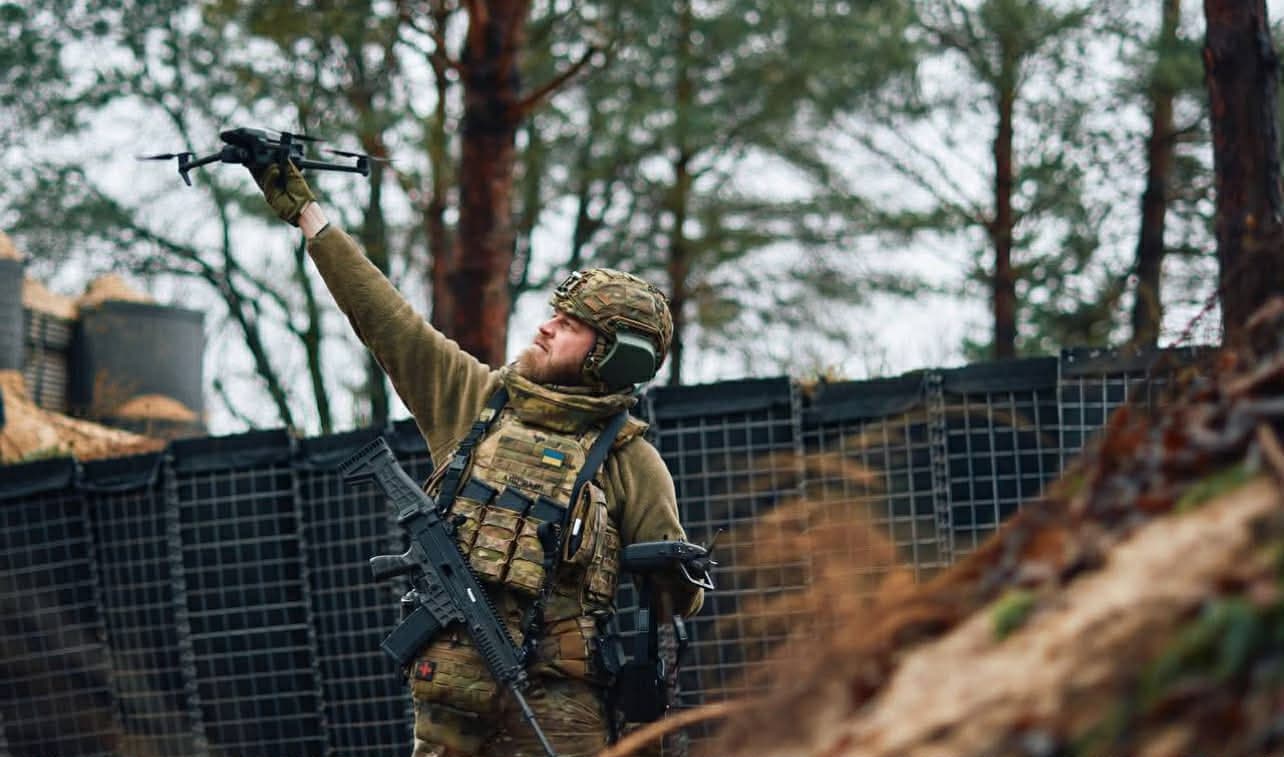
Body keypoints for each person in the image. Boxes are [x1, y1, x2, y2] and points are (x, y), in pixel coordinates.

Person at [250, 162, 704, 757]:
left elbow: (676, 600)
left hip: (559, 716)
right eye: (553, 314)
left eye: (570, 326)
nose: (544, 328)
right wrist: (309, 215)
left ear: (616, 359)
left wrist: (675, 572)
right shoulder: (476, 402)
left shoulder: (630, 461)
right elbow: (387, 321)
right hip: (451, 708)